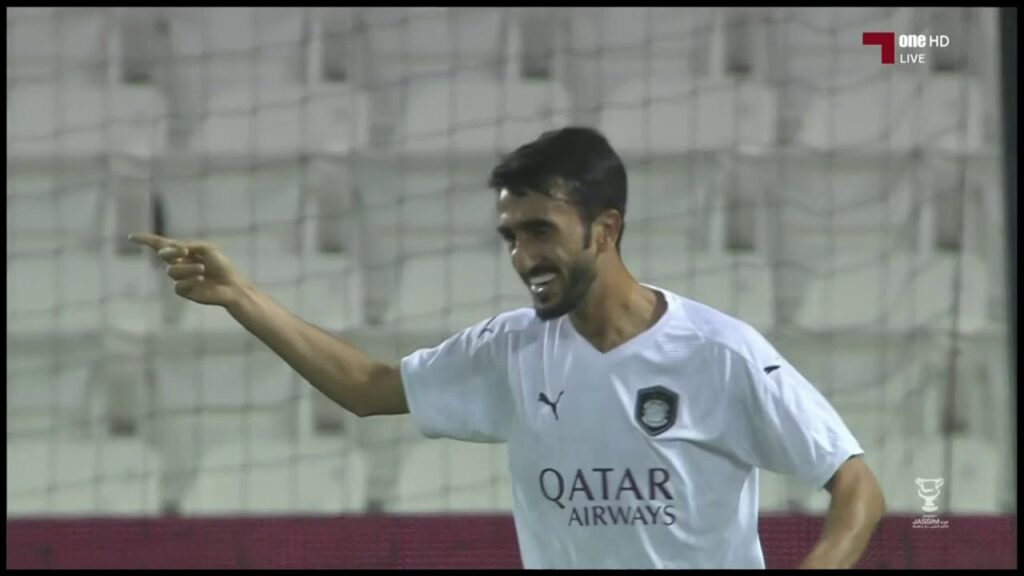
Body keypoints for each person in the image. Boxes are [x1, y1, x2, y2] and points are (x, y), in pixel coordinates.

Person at [130, 127, 885, 569]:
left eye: (540, 232)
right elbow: (366, 387)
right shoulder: (511, 350)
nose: (523, 256)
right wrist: (241, 299)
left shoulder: (719, 353)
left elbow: (857, 487)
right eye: (510, 237)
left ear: (606, 229)